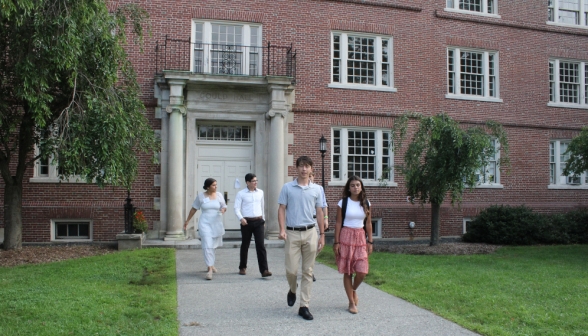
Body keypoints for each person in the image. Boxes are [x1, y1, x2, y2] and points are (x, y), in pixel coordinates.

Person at [278, 156, 325, 321]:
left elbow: (320, 212)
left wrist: (322, 235)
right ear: (296, 168)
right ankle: (292, 289)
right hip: (291, 232)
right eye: (301, 166)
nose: (304, 169)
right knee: (291, 270)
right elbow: (282, 209)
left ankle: (304, 305)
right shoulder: (287, 188)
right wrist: (282, 229)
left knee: (308, 271)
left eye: (307, 166)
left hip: (310, 232)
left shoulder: (317, 189)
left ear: (311, 168)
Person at [333, 175, 373, 314]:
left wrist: (370, 241)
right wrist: (336, 242)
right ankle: (351, 302)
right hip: (346, 237)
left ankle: (353, 289)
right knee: (348, 271)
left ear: (361, 187)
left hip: (360, 238)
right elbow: (338, 223)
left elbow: (368, 223)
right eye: (352, 185)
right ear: (348, 188)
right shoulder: (343, 203)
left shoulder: (366, 203)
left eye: (358, 185)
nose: (355, 187)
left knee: (362, 272)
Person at [184, 178, 227, 280]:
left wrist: (223, 210)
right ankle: (210, 270)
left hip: (216, 223)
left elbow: (224, 206)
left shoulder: (219, 195)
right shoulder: (201, 197)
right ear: (207, 187)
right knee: (207, 245)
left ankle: (211, 264)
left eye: (216, 185)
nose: (216, 187)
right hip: (205, 223)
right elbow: (194, 208)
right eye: (213, 185)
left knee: (214, 245)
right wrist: (187, 221)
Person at [234, 173, 272, 277]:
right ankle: (242, 266)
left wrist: (263, 219)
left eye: (256, 180)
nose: (256, 183)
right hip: (246, 222)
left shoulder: (260, 192)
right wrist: (241, 218)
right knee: (245, 245)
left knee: (260, 246)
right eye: (253, 181)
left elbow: (262, 206)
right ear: (247, 182)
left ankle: (264, 270)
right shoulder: (241, 194)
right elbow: (236, 208)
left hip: (259, 221)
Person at [309, 171, 328, 282]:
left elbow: (324, 205)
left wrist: (326, 218)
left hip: (317, 219)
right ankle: (310, 271)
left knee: (318, 246)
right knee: (308, 248)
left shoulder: (319, 188)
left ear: (314, 176)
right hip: (306, 220)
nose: (310, 178)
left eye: (311, 176)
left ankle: (308, 266)